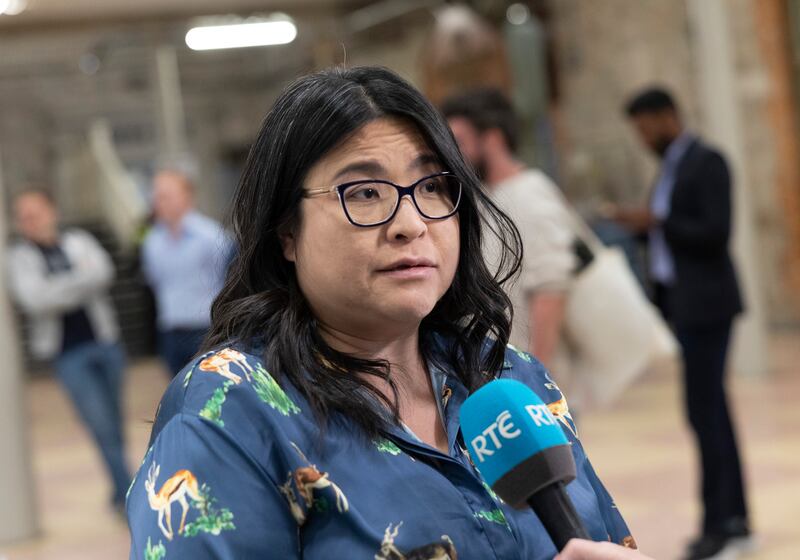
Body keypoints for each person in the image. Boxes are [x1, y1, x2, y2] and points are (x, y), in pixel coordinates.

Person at [126, 66, 638, 559]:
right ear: (286, 232)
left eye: (434, 186)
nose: (411, 223)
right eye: (365, 193)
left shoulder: (508, 377)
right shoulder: (230, 411)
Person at [610, 87, 750, 560]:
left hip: (709, 306)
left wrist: (656, 221)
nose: (644, 137)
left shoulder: (707, 161)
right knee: (710, 414)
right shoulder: (669, 168)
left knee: (706, 415)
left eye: (647, 127)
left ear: (668, 116)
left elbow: (715, 232)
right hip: (684, 306)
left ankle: (721, 527)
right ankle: (735, 518)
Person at [7, 189, 130, 512]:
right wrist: (80, 282)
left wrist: (58, 289)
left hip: (105, 344)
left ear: (52, 211)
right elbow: (35, 299)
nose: (29, 221)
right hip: (68, 356)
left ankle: (120, 491)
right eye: (23, 216)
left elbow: (103, 274)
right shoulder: (18, 258)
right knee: (101, 426)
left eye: (35, 212)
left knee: (115, 425)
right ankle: (128, 495)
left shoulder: (80, 240)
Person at [441, 88, 577, 373]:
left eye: (461, 141)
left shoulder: (531, 192)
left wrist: (535, 373)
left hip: (526, 380)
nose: (453, 153)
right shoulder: (483, 196)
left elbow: (551, 288)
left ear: (492, 139)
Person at [141, 170, 234, 377]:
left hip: (205, 329)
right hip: (170, 330)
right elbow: (155, 282)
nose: (159, 202)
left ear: (187, 196)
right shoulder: (152, 242)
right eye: (156, 196)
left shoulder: (211, 236)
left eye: (166, 195)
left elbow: (226, 279)